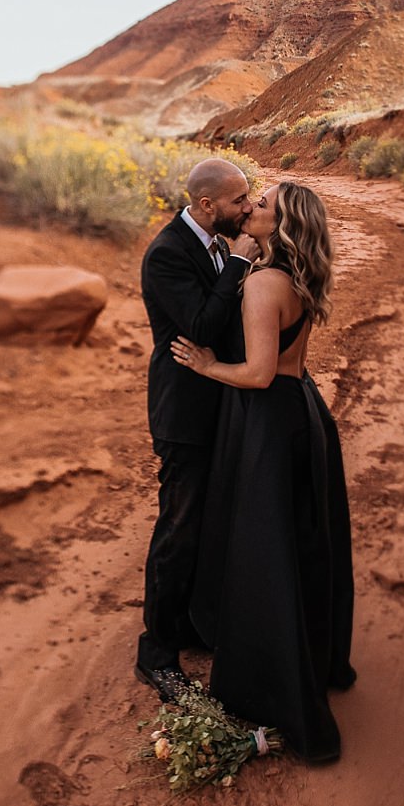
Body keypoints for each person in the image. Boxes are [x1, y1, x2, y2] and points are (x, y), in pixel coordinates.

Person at [172, 180, 357, 764]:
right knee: (298, 544)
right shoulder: (294, 278)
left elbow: (255, 374)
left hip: (271, 421)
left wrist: (205, 365)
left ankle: (270, 684)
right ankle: (310, 657)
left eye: (263, 205)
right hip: (303, 411)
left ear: (280, 226)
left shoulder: (263, 287)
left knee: (264, 552)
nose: (251, 207)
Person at [134, 157, 258, 702]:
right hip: (183, 414)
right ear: (207, 205)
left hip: (219, 404)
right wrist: (237, 265)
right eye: (239, 201)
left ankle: (190, 624)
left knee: (209, 524)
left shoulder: (210, 243)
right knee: (178, 530)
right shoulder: (166, 255)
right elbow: (203, 327)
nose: (248, 207)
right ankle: (156, 652)